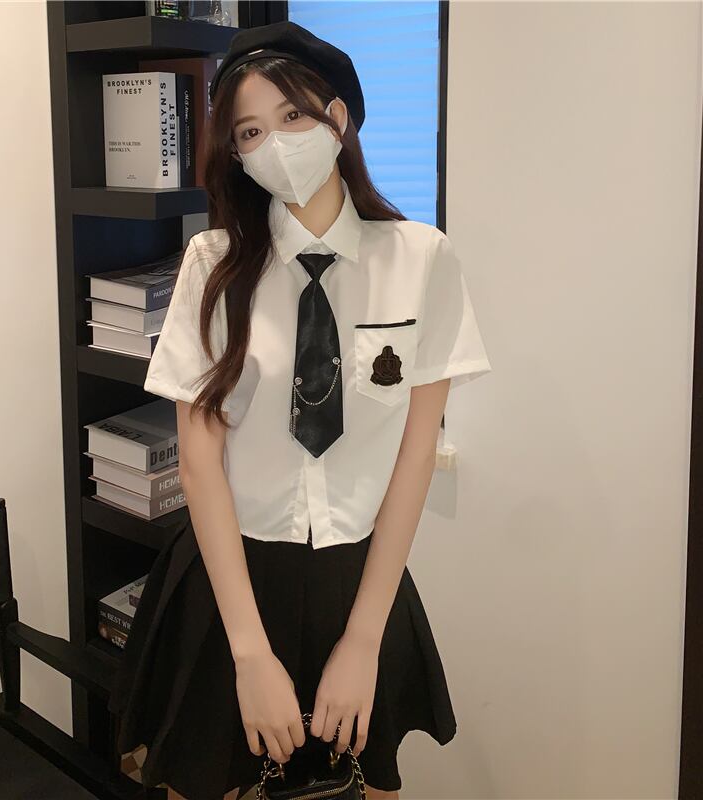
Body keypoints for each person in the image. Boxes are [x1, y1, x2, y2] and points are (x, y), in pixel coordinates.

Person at [108, 19, 492, 800]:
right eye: (250, 131)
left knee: (367, 787)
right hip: (231, 581)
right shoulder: (214, 266)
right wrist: (249, 655)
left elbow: (416, 454)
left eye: (292, 116)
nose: (275, 144)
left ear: (337, 118)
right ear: (238, 154)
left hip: (361, 580)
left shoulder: (421, 260)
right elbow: (199, 461)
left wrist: (364, 639)